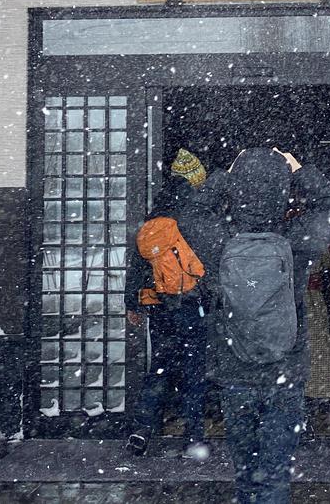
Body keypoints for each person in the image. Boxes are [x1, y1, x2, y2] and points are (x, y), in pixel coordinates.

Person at [201, 139, 330, 504]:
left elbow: (193, 212)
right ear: (282, 194)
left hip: (235, 369)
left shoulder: (219, 241)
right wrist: (299, 172)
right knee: (276, 470)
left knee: (246, 470)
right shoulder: (296, 241)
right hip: (286, 370)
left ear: (236, 193)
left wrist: (225, 175)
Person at [125, 148, 209, 456]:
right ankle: (193, 436)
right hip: (189, 303)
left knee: (159, 366)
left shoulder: (154, 216)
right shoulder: (195, 214)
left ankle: (141, 429)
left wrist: (132, 303)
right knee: (193, 369)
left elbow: (136, 264)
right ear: (195, 180)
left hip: (157, 304)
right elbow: (204, 263)